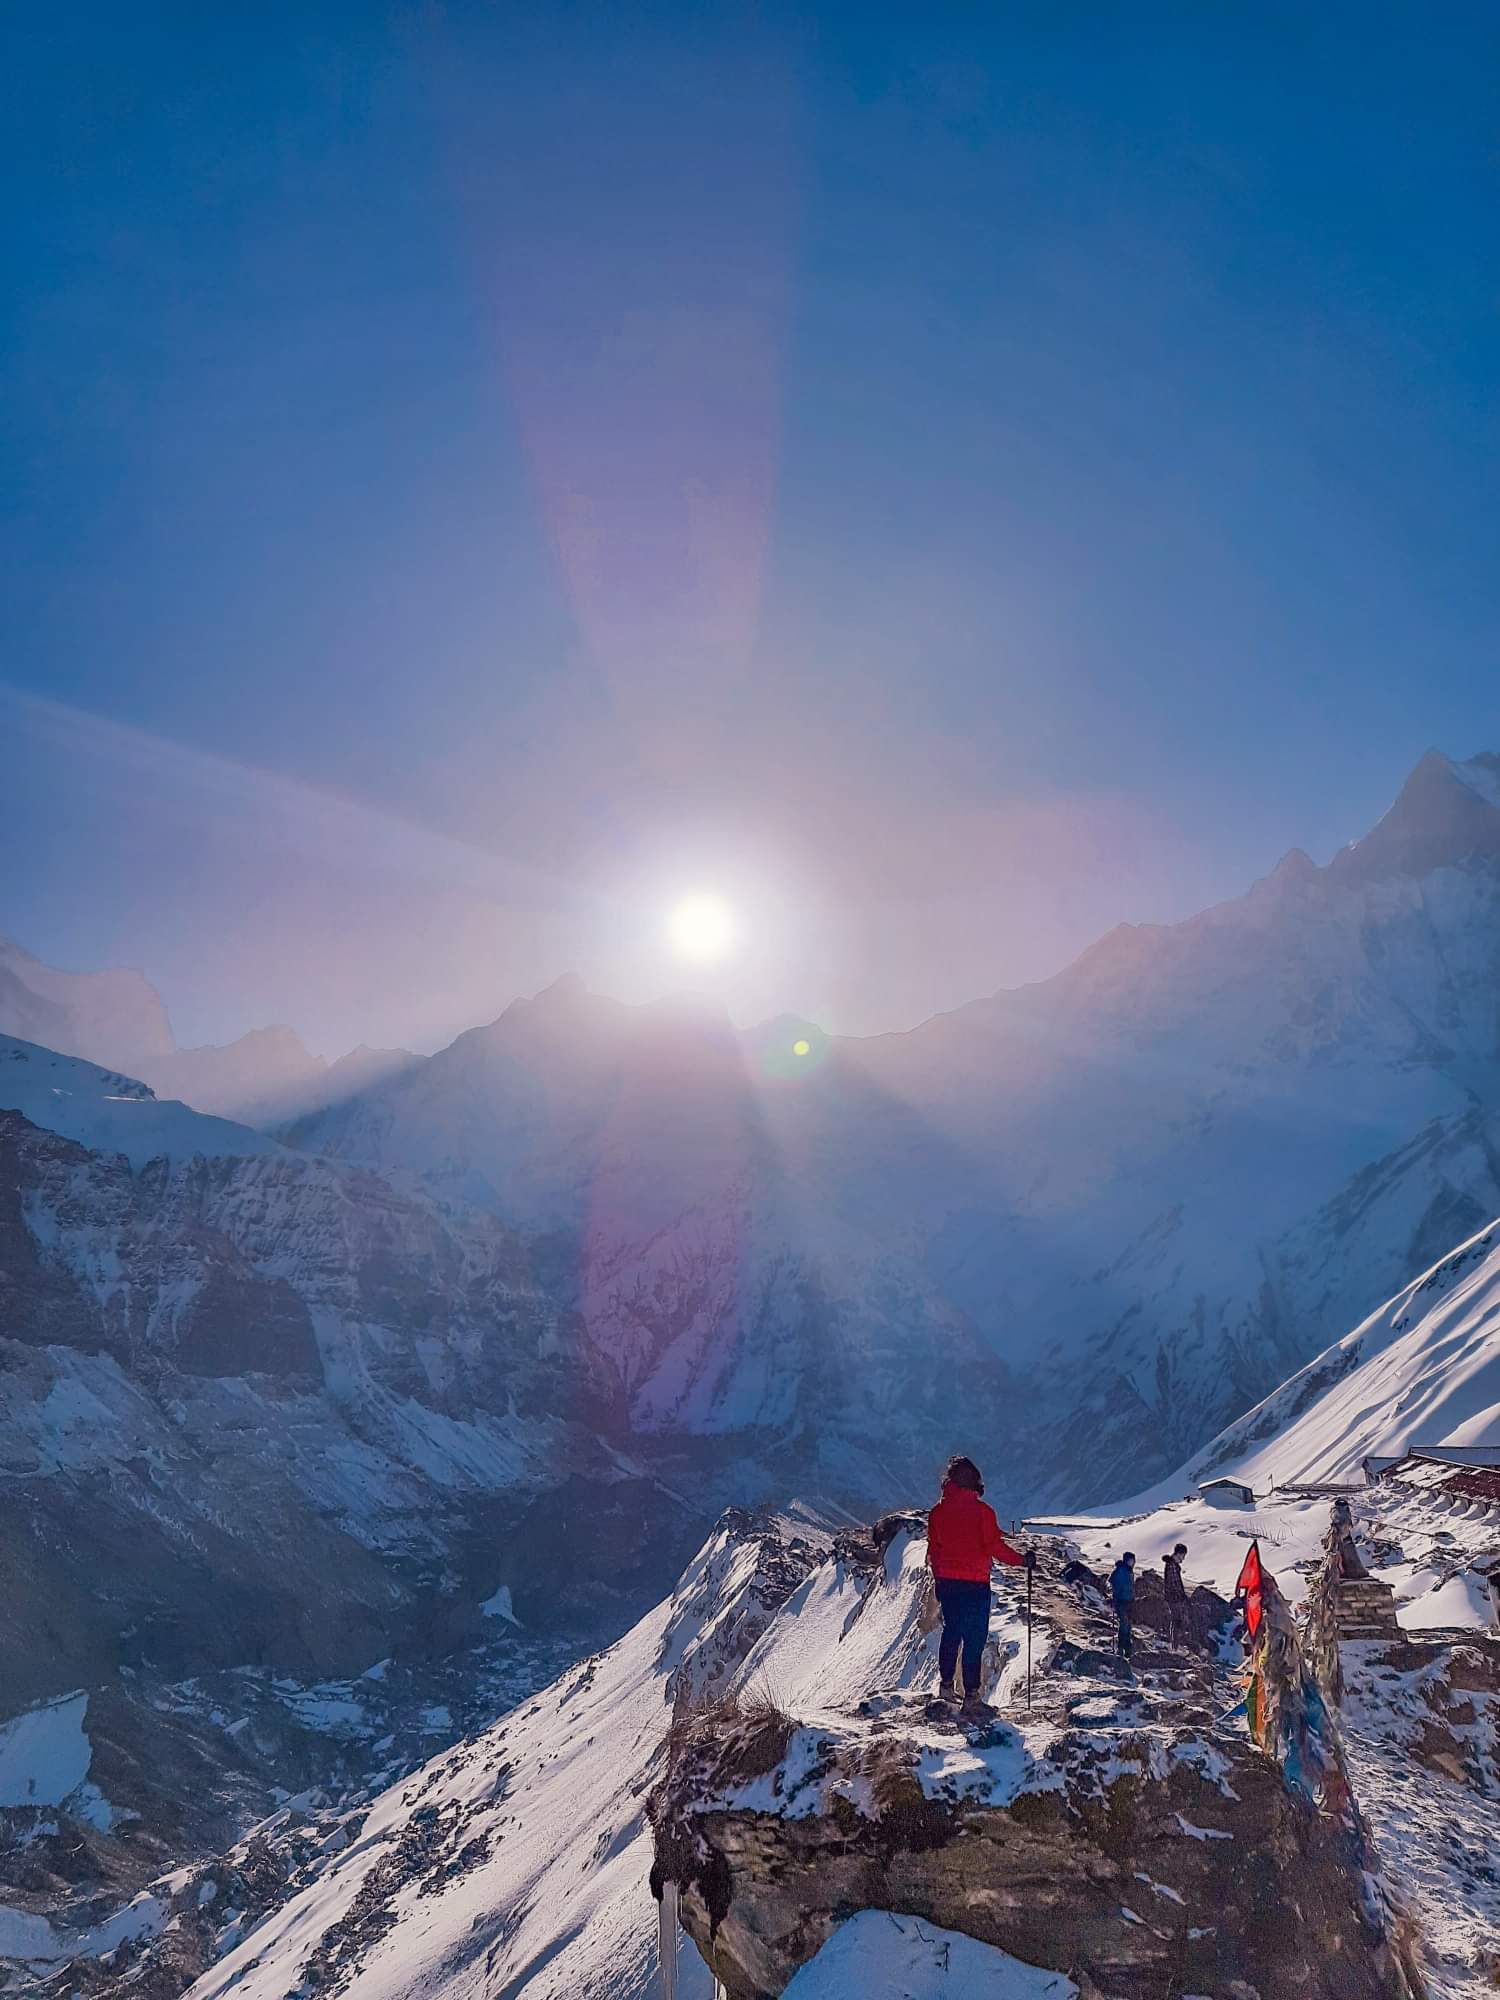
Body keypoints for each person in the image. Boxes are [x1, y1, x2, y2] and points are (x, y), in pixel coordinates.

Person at [927, 1455, 1031, 1711]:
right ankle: (971, 1693)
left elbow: (934, 1549)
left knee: (952, 1633)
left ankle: (946, 1686)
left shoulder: (938, 1512)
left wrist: (939, 1577)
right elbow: (994, 1546)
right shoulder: (983, 1513)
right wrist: (1022, 1561)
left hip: (948, 1583)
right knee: (974, 1638)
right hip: (975, 1584)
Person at [1110, 1551, 1136, 1661]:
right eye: (1130, 1560)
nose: (1132, 1562)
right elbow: (1113, 1583)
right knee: (1124, 1624)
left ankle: (1127, 1649)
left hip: (1129, 1601)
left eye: (1133, 1560)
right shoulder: (1121, 1571)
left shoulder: (1129, 1571)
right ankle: (1122, 1648)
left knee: (1128, 1625)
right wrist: (1115, 1597)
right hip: (1121, 1601)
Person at [1163, 1542, 1190, 1649]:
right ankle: (1174, 1646)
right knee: (1176, 1621)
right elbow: (1175, 1584)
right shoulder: (1172, 1566)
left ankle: (1175, 1645)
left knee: (1176, 1621)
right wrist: (1182, 1597)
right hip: (1174, 1598)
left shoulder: (1171, 1564)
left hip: (1173, 1598)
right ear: (1178, 1554)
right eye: (1183, 1556)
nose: (1183, 1559)